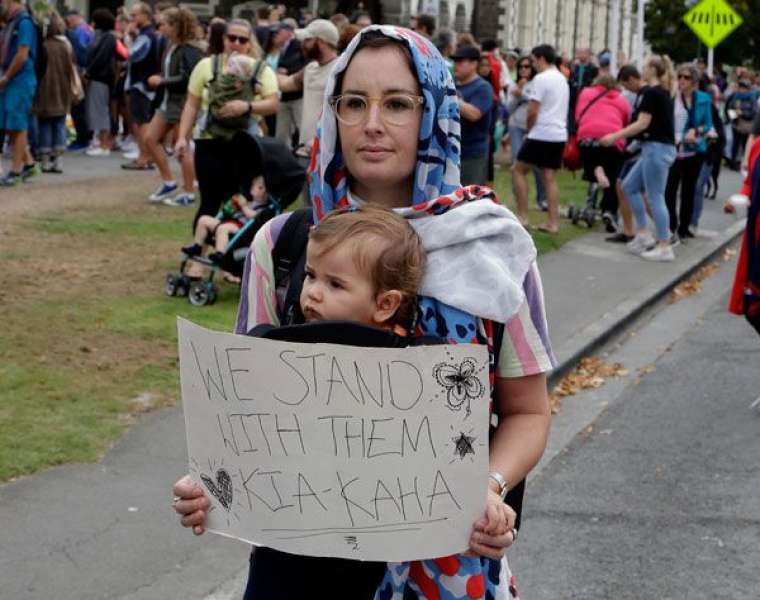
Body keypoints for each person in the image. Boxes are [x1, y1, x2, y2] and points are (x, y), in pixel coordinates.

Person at [174, 26, 555, 600]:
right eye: (354, 103)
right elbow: (247, 414)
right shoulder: (283, 244)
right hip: (301, 568)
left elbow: (528, 412)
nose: (372, 122)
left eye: (398, 103)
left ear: (434, 114)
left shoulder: (494, 250)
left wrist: (489, 487)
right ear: (334, 114)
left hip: (447, 569)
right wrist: (214, 482)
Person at [175, 18, 278, 230]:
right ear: (223, 39)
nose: (237, 43)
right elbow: (191, 105)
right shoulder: (206, 66)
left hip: (246, 143)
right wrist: (181, 138)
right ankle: (202, 253)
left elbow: (273, 103)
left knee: (242, 200)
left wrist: (247, 107)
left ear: (249, 43)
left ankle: (233, 256)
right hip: (209, 142)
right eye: (232, 38)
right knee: (210, 201)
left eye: (243, 39)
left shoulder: (260, 69)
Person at [601, 55, 677, 262]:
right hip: (653, 148)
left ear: (653, 69)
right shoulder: (659, 92)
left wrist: (615, 137)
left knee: (655, 196)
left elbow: (643, 123)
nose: (641, 69)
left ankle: (664, 245)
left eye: (645, 66)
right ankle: (643, 233)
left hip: (657, 149)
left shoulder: (653, 93)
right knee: (629, 186)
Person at [144, 6, 203, 205]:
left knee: (182, 148)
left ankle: (188, 191)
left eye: (165, 24)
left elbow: (188, 78)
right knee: (150, 138)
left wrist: (162, 81)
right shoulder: (173, 46)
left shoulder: (189, 49)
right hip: (169, 103)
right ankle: (169, 181)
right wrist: (164, 79)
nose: (161, 27)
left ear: (176, 26)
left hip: (181, 104)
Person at [512, 44, 569, 233]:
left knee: (518, 170)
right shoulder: (562, 78)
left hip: (541, 132)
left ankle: (523, 216)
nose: (534, 64)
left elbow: (532, 110)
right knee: (549, 177)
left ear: (542, 58)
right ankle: (552, 222)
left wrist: (529, 129)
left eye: (535, 61)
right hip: (559, 133)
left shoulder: (541, 79)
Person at [575, 74, 631, 232]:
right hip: (611, 140)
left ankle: (596, 170)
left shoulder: (585, 93)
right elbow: (626, 120)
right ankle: (609, 211)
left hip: (587, 137)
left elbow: (578, 115)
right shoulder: (621, 99)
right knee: (613, 178)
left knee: (591, 166)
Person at [181, 175, 267, 278]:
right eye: (254, 185)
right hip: (229, 222)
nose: (252, 188)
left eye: (257, 187)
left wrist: (243, 206)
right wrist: (232, 205)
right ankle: (197, 246)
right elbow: (229, 211)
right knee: (203, 219)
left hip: (240, 227)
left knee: (223, 228)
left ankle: (220, 254)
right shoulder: (249, 201)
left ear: (264, 190)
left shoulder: (263, 208)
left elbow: (254, 217)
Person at [277, 19, 339, 161]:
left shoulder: (340, 70)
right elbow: (286, 84)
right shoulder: (310, 68)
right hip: (305, 150)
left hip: (327, 153)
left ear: (321, 42)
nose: (302, 44)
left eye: (308, 40)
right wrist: (260, 70)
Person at [664, 63, 712, 243]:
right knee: (669, 191)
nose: (682, 81)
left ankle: (684, 227)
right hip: (673, 151)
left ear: (694, 82)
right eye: (680, 77)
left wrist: (696, 131)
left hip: (693, 153)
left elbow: (708, 124)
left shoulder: (703, 99)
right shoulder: (671, 98)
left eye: (686, 78)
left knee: (688, 191)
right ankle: (672, 224)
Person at [0, 0, 39, 186]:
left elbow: (22, 54)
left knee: (17, 125)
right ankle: (29, 164)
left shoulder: (24, 22)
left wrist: (6, 77)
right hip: (11, 79)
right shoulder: (11, 22)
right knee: (10, 124)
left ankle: (15, 172)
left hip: (20, 79)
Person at [31, 11, 75, 174]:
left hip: (44, 89)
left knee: (45, 124)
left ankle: (45, 159)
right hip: (62, 88)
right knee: (59, 123)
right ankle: (59, 160)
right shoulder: (65, 46)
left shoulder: (42, 46)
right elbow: (71, 68)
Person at [121, 2, 160, 170]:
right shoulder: (147, 35)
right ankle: (147, 156)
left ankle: (144, 157)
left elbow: (131, 55)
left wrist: (125, 40)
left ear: (145, 15)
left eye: (135, 15)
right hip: (144, 83)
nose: (132, 18)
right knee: (142, 121)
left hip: (140, 84)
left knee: (141, 122)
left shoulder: (146, 36)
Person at [506, 56, 546, 210]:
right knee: (517, 161)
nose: (523, 69)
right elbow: (508, 109)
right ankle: (518, 198)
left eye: (527, 66)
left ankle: (542, 199)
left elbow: (536, 105)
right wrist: (517, 95)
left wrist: (522, 94)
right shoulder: (512, 85)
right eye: (521, 66)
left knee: (536, 164)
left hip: (533, 126)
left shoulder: (538, 83)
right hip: (516, 125)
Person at [453, 45, 494, 186]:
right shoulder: (453, 85)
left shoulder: (483, 87)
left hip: (473, 153)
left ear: (474, 64)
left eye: (460, 61)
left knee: (470, 198)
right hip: (453, 151)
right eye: (455, 61)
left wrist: (452, 98)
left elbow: (474, 113)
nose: (455, 65)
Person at [84, 8, 120, 157]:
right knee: (98, 109)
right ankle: (101, 141)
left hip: (100, 77)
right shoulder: (105, 36)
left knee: (101, 110)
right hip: (99, 77)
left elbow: (101, 58)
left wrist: (89, 72)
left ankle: (104, 144)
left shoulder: (108, 37)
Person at [64, 8, 93, 151]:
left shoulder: (78, 33)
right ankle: (83, 137)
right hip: (81, 73)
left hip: (79, 74)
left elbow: (82, 55)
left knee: (78, 108)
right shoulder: (85, 30)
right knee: (79, 108)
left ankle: (83, 138)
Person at [272, 22, 304, 148]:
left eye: (279, 32)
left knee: (302, 129)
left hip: (297, 96)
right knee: (281, 132)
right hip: (284, 96)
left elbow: (304, 63)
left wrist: (286, 69)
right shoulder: (281, 47)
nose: (276, 35)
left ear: (288, 32)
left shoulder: (298, 44)